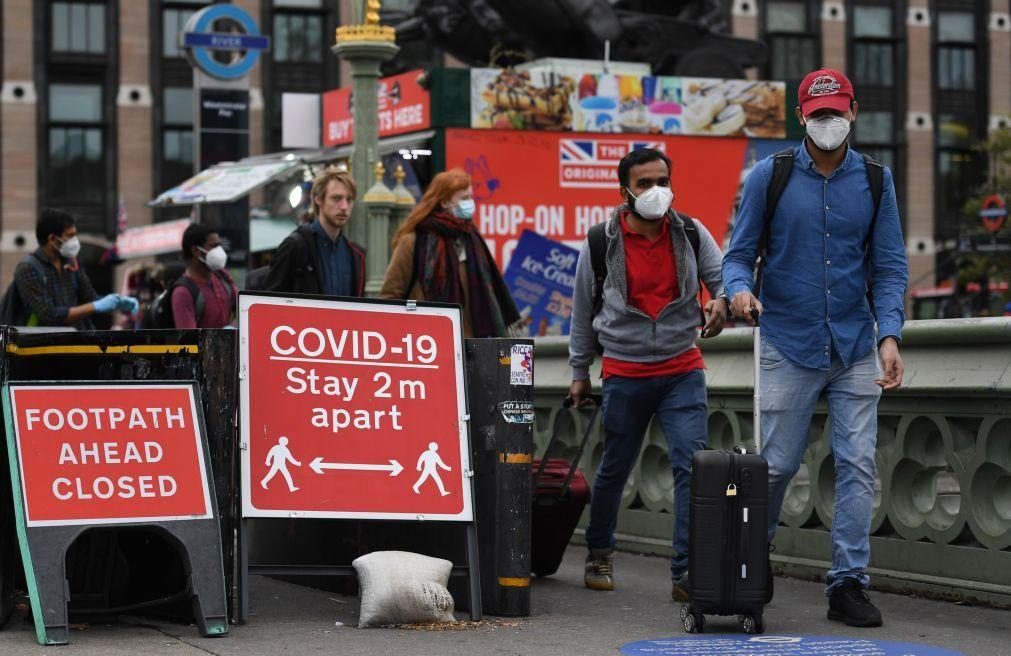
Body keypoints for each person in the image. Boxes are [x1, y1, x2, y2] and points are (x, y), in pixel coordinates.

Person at [722, 68, 908, 628]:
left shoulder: (877, 180)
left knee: (857, 467)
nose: (828, 123)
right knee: (775, 468)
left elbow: (891, 267)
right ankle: (752, 566)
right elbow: (737, 256)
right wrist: (738, 293)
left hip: (854, 344)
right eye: (818, 113)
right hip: (787, 340)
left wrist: (890, 336)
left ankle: (848, 583)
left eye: (837, 112)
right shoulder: (768, 176)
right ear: (802, 115)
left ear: (853, 113)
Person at [567, 147, 728, 600]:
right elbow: (582, 313)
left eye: (663, 181)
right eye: (645, 184)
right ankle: (600, 552)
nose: (657, 191)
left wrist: (720, 298)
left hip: (682, 367)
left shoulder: (692, 233)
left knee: (691, 469)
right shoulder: (600, 242)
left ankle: (686, 571)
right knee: (614, 468)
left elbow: (723, 278)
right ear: (625, 191)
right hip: (624, 370)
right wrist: (579, 371)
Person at [379, 168, 521, 337]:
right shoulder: (413, 242)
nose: (470, 203)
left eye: (470, 197)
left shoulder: (472, 239)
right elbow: (391, 296)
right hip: (429, 344)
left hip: (475, 347)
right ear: (444, 202)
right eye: (464, 198)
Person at [13, 208, 137, 329]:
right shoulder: (28, 268)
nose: (75, 241)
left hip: (77, 339)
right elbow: (49, 315)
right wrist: (96, 305)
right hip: (43, 344)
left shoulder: (72, 263)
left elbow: (90, 299)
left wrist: (117, 303)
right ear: (52, 239)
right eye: (70, 236)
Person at [260, 167, 366, 296]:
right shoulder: (295, 246)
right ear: (318, 199)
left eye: (349, 200)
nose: (344, 207)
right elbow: (268, 302)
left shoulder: (355, 254)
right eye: (336, 198)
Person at [170, 223, 238, 329]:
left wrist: (232, 330)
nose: (220, 251)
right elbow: (189, 341)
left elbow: (243, 311)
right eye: (213, 246)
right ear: (196, 250)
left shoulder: (222, 278)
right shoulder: (183, 293)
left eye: (219, 245)